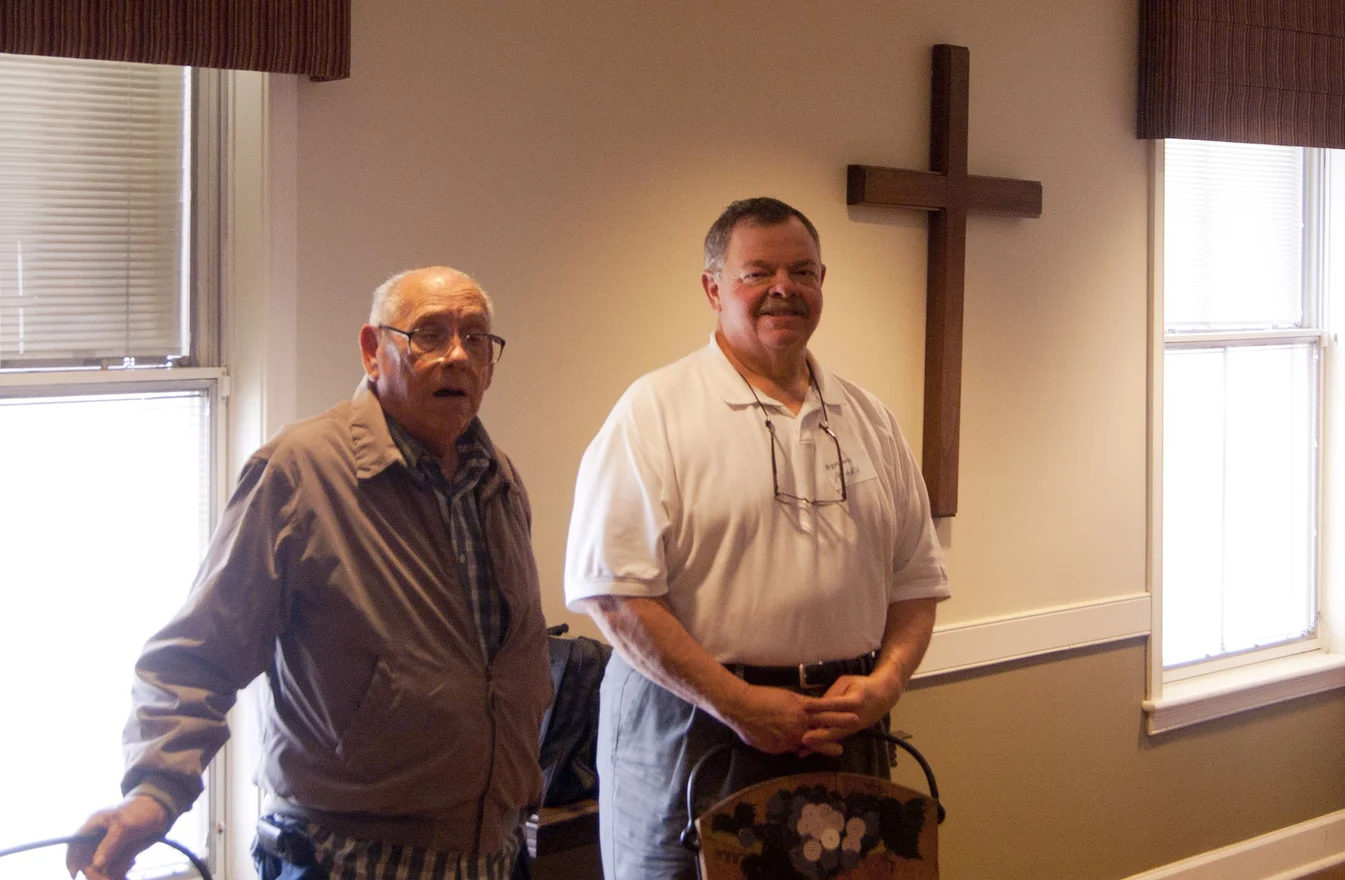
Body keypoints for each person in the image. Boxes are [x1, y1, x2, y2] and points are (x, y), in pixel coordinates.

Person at [67, 267, 552, 880]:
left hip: (495, 856)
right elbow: (197, 654)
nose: (457, 355)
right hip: (346, 859)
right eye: (429, 334)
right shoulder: (300, 472)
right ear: (373, 351)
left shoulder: (497, 479)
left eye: (475, 338)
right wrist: (155, 791)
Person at [563, 198, 950, 880]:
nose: (783, 288)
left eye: (802, 272)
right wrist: (737, 702)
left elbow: (916, 583)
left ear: (822, 282)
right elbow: (615, 595)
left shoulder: (870, 419)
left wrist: (886, 684)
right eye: (758, 272)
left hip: (845, 732)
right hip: (694, 730)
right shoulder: (654, 413)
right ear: (713, 289)